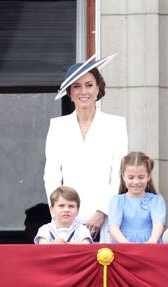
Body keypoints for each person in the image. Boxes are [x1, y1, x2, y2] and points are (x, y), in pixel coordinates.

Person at [44, 53, 128, 243]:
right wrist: (61, 210)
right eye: (77, 86)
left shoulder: (116, 124)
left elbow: (118, 172)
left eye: (89, 85)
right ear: (70, 92)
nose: (84, 91)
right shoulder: (58, 126)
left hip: (106, 218)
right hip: (66, 217)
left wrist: (102, 211)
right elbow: (51, 174)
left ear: (98, 88)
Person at [107, 152, 166, 243]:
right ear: (123, 177)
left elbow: (158, 223)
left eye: (141, 177)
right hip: (123, 247)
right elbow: (113, 227)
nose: (136, 181)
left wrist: (152, 240)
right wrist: (126, 244)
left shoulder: (156, 201)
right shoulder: (117, 201)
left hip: (150, 247)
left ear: (148, 176)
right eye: (131, 177)